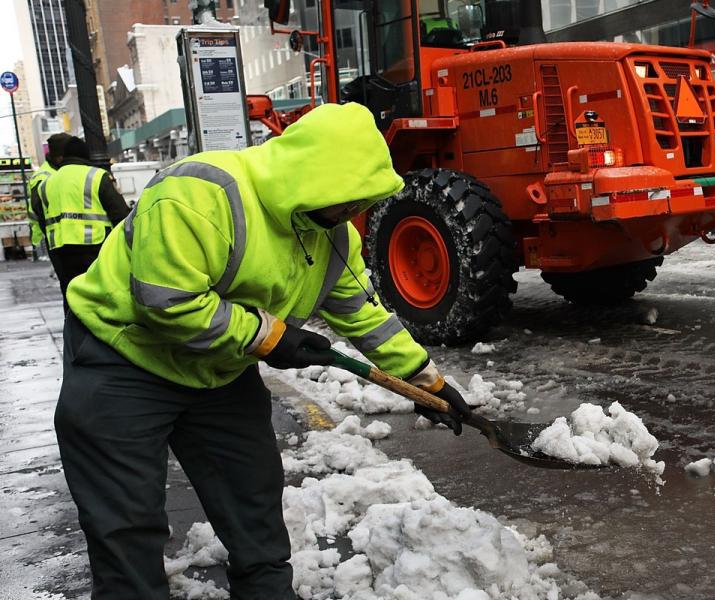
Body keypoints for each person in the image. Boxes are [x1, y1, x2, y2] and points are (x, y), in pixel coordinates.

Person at [55, 102, 473, 598]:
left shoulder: (330, 235)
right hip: (122, 358)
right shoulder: (199, 192)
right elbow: (167, 302)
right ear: (311, 177)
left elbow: (366, 316)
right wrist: (270, 337)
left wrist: (431, 385)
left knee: (253, 504)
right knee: (126, 525)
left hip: (218, 372)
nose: (353, 213)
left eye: (361, 201)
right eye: (347, 199)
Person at [32, 135, 130, 294]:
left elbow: (40, 215)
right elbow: (120, 214)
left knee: (71, 293)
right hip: (96, 246)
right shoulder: (96, 176)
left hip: (61, 249)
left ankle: (72, 319)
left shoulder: (46, 184)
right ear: (85, 156)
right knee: (101, 292)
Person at [25, 133, 74, 249]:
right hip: (54, 240)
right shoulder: (43, 177)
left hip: (66, 237)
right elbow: (39, 212)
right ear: (60, 157)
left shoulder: (61, 171)